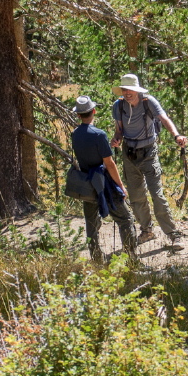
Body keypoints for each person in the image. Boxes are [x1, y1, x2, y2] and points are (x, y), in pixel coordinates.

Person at [109, 73, 187, 250]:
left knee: (157, 196)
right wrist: (116, 139)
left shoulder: (149, 101)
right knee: (136, 196)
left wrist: (176, 135)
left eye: (130, 90)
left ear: (137, 90)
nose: (127, 93)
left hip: (149, 152)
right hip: (128, 154)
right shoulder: (118, 105)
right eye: (124, 90)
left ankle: (173, 235)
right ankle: (147, 231)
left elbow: (164, 119)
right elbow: (119, 130)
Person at [70, 96, 138, 264]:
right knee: (125, 219)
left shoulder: (75, 134)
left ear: (78, 115)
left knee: (91, 224)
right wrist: (120, 186)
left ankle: (96, 259)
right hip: (104, 183)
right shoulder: (99, 135)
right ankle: (132, 259)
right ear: (94, 111)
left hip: (86, 183)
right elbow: (109, 163)